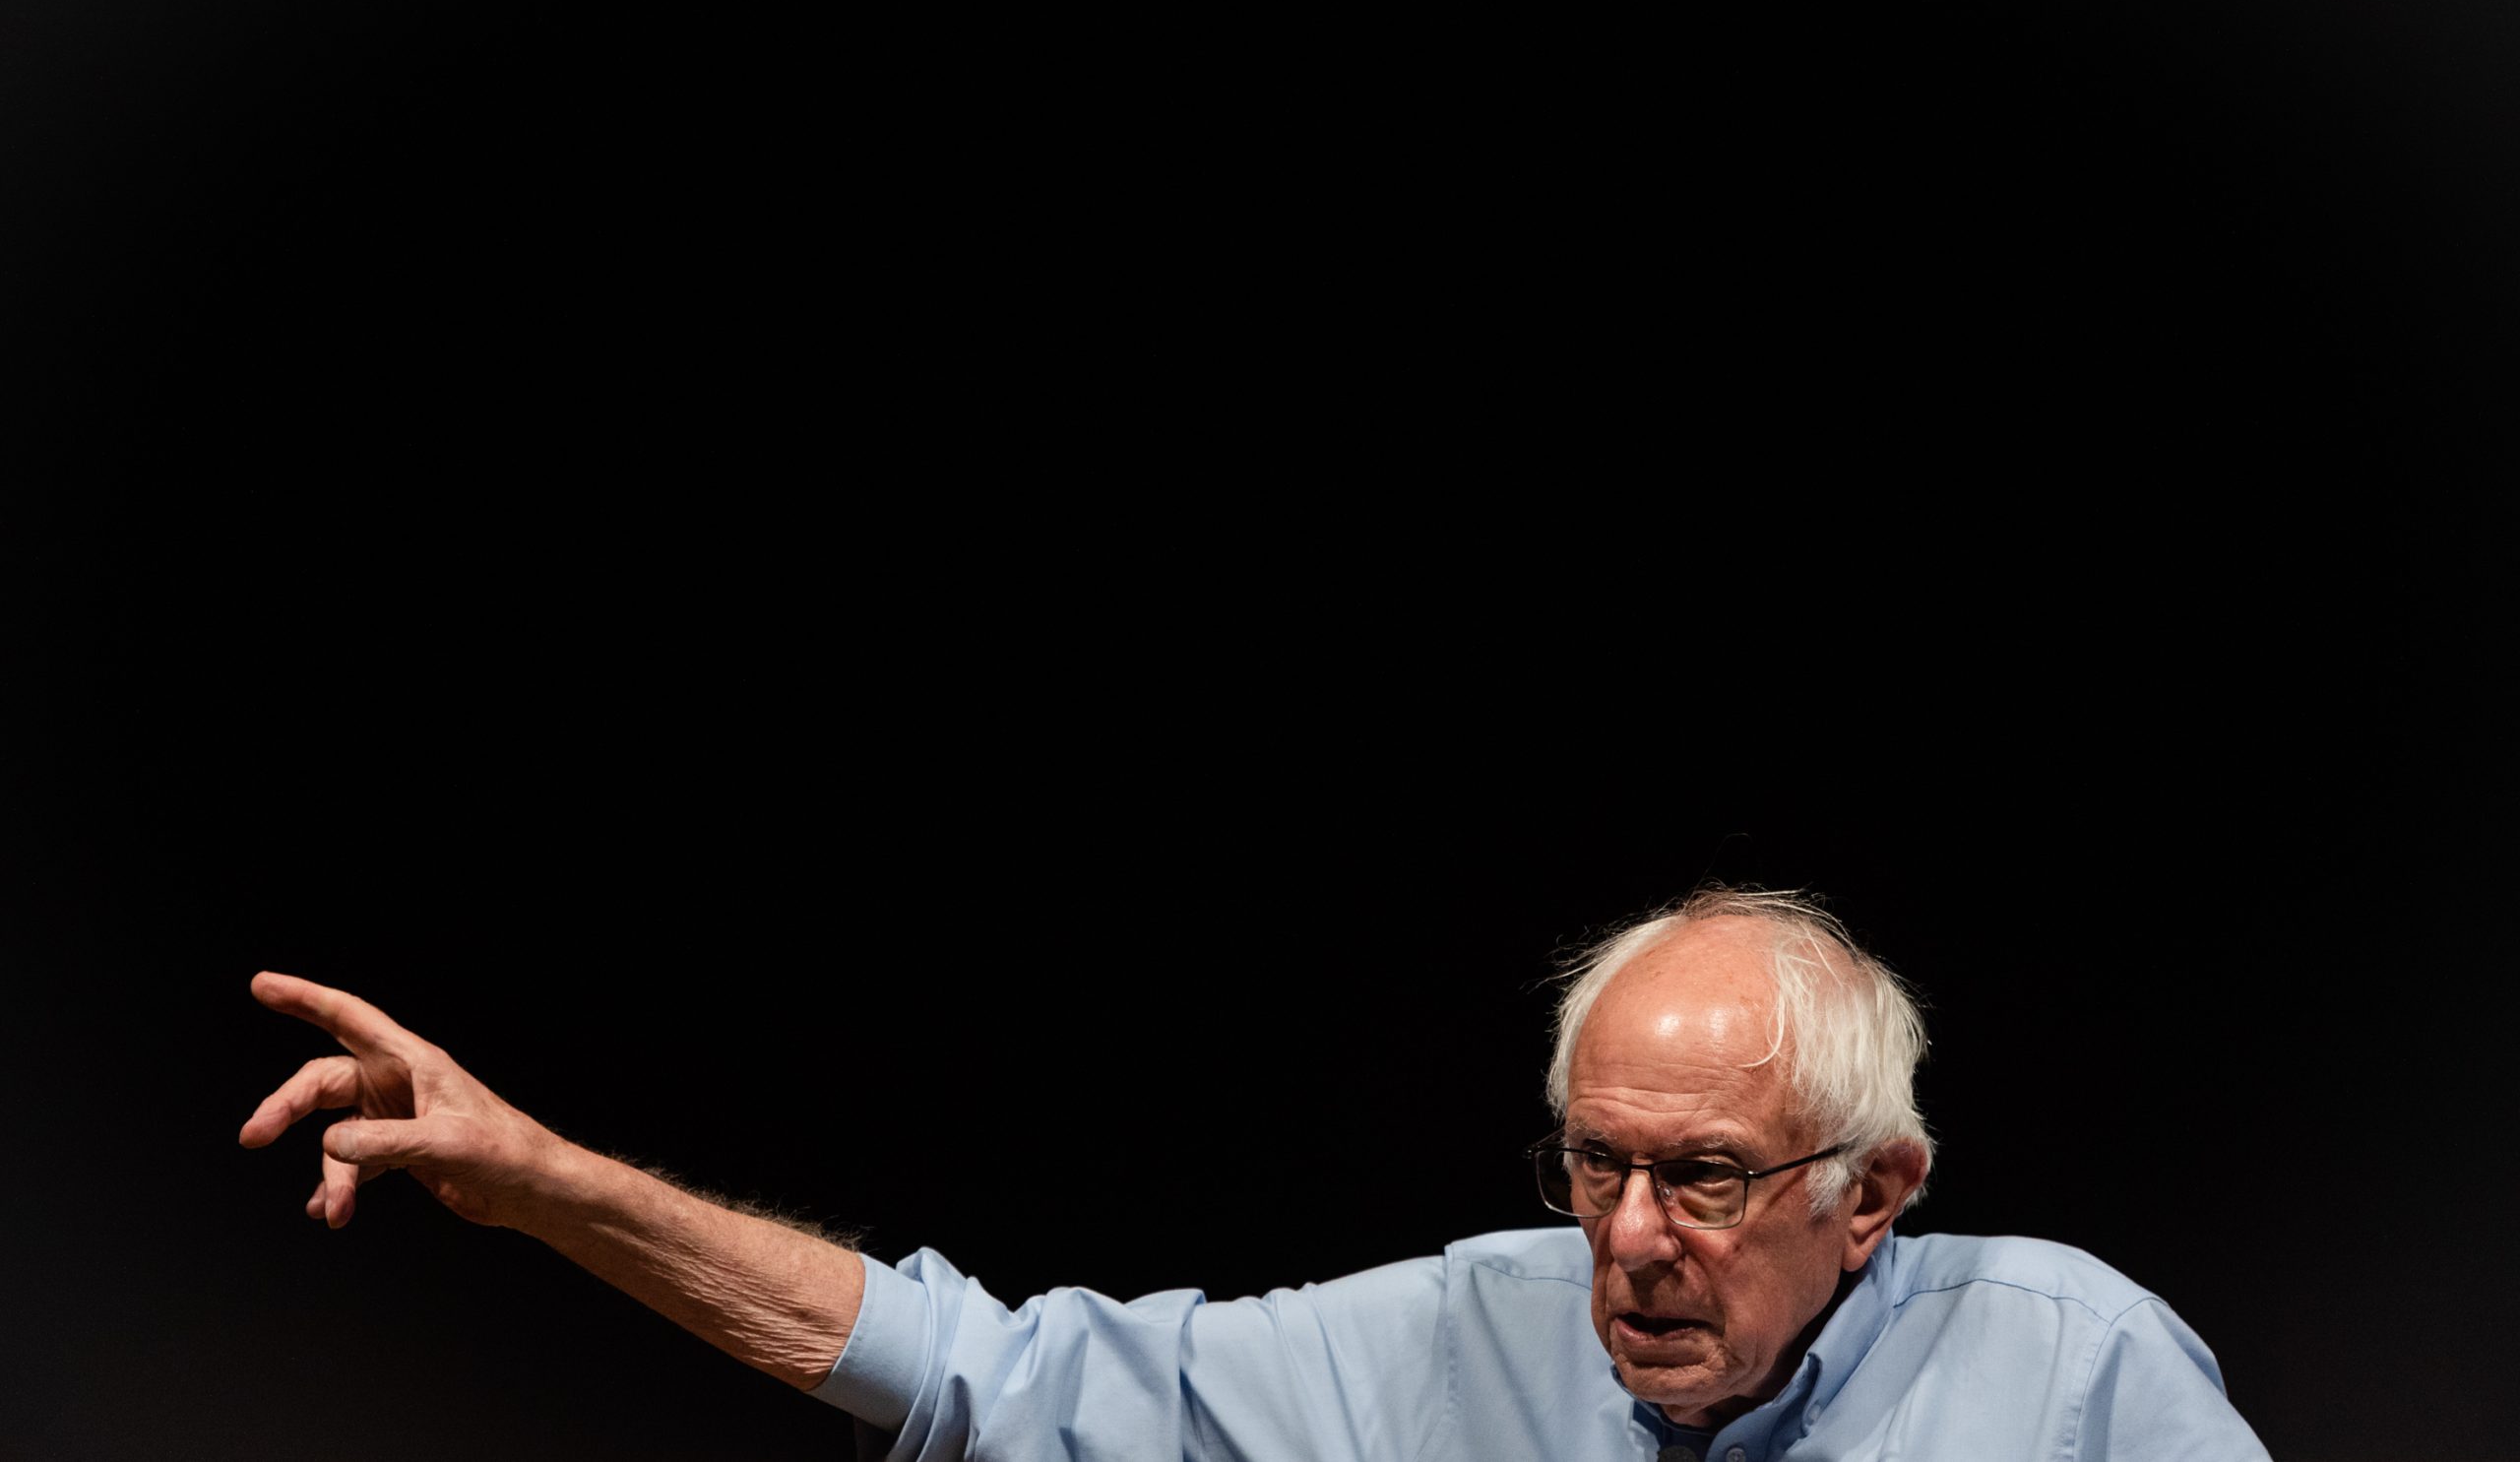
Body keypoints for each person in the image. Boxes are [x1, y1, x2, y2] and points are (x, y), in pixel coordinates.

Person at [238, 887, 2270, 1460]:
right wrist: (554, 1182)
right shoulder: (1445, 1341)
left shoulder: (2075, 1381)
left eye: (1709, 1180)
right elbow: (991, 1373)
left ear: (1876, 1186)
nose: (1631, 1244)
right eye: (1597, 1167)